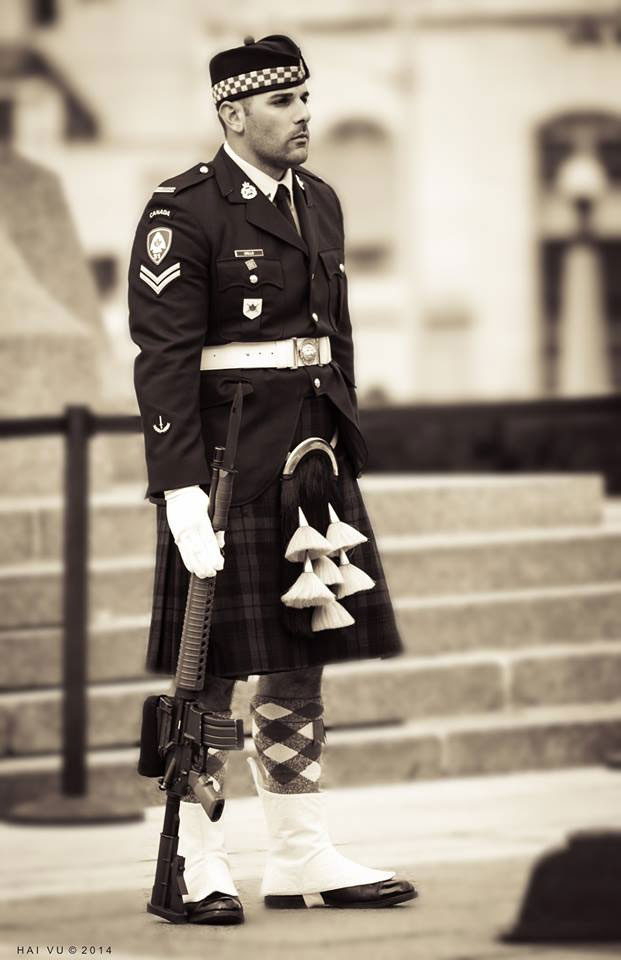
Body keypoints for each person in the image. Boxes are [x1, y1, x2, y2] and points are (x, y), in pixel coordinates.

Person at [128, 34, 416, 925]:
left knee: (300, 664)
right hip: (226, 467)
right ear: (233, 114)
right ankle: (203, 860)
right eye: (283, 102)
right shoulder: (184, 211)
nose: (302, 115)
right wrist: (176, 487)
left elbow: (334, 336)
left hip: (311, 463)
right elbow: (163, 358)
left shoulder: (319, 202)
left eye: (305, 97)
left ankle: (299, 855)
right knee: (209, 669)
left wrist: (345, 439)